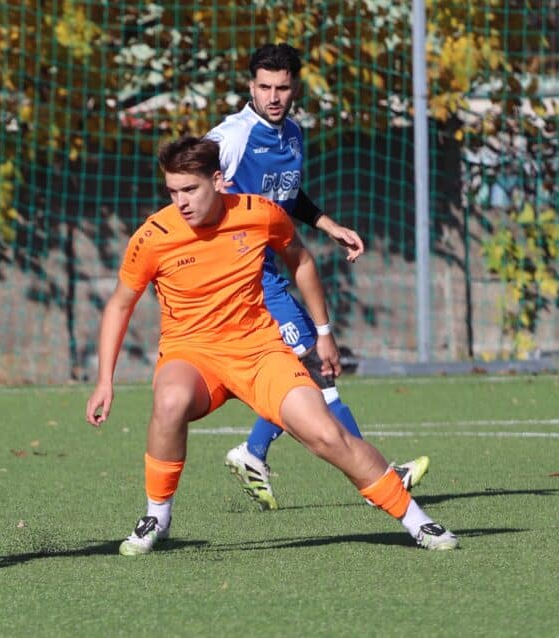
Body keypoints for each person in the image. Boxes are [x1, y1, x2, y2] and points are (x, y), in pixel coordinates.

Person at [85, 135, 458, 555]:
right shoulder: (153, 236)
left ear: (218, 181)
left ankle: (417, 521)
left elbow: (301, 260)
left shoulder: (259, 213)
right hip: (192, 353)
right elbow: (119, 305)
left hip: (260, 350)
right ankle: (157, 515)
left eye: (190, 189)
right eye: (172, 191)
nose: (181, 202)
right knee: (169, 402)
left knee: (326, 435)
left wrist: (324, 331)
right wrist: (105, 381)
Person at [204, 43, 428, 510]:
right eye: (264, 87)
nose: (273, 96)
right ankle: (380, 478)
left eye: (282, 88)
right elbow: (186, 181)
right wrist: (210, 197)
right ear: (250, 87)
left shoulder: (292, 135)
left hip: (270, 272)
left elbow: (288, 195)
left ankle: (254, 452)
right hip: (245, 278)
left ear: (295, 89)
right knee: (315, 368)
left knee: (304, 375)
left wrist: (329, 225)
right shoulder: (232, 136)